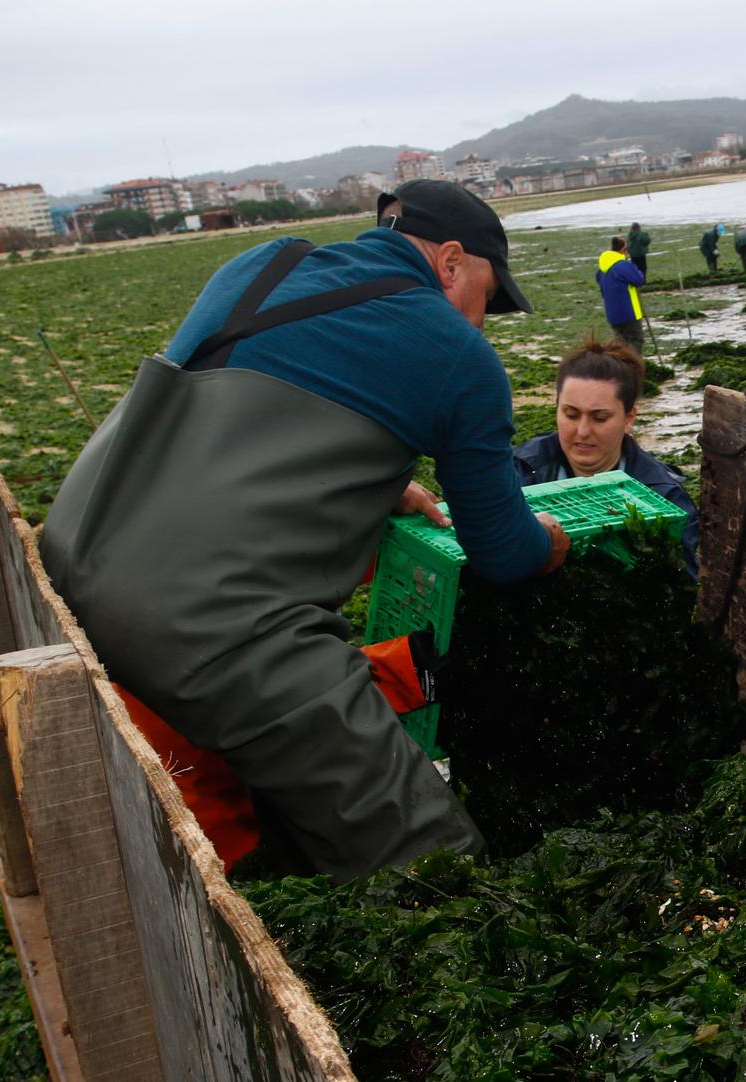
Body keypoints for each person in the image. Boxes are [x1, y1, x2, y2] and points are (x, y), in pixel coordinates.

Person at [39, 179, 569, 879]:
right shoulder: (457, 355)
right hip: (210, 626)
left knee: (294, 815)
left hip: (73, 556)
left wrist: (365, 480)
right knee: (434, 857)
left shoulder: (261, 264)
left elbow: (223, 430)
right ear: (447, 262)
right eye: (488, 296)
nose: (482, 321)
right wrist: (553, 538)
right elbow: (501, 552)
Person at [513, 337, 700, 578]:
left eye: (599, 418)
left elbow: (683, 588)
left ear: (629, 418)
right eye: (571, 414)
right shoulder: (518, 471)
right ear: (557, 408)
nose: (582, 431)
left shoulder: (665, 497)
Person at [595, 236, 646, 352]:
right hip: (629, 311)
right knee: (635, 340)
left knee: (619, 343)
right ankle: (631, 366)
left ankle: (620, 366)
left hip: (612, 313)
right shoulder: (622, 265)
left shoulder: (602, 268)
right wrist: (633, 267)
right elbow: (639, 279)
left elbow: (599, 280)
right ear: (623, 249)